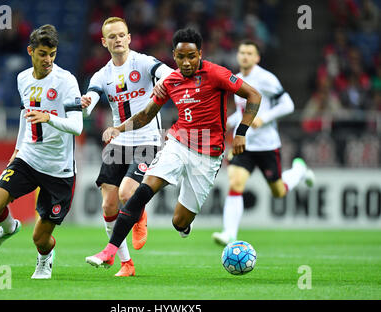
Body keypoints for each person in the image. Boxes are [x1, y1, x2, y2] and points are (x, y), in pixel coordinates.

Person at [85, 27, 261, 269]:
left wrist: (241, 132)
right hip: (177, 144)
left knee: (179, 221)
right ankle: (110, 251)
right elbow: (147, 114)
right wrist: (119, 129)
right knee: (142, 191)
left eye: (191, 56)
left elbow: (254, 95)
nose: (186, 62)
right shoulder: (170, 81)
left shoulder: (216, 73)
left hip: (208, 156)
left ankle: (183, 226)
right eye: (181, 57)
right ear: (174, 56)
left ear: (200, 53)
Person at [0, 24, 83, 279]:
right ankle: (8, 228)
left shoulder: (66, 81)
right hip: (28, 158)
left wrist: (48, 118)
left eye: (52, 54)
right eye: (42, 54)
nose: (48, 60)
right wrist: (17, 149)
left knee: (40, 238)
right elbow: (26, 115)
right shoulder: (22, 78)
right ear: (30, 51)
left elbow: (77, 127)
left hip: (59, 170)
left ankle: (45, 258)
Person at [81, 17, 174, 277]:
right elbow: (92, 99)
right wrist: (85, 103)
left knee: (127, 194)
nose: (118, 40)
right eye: (112, 36)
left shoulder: (143, 62)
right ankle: (126, 263)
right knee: (108, 206)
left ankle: (139, 212)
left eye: (122, 35)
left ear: (129, 37)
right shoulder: (102, 75)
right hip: (119, 141)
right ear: (104, 42)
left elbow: (169, 74)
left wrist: (163, 82)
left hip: (147, 139)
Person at [212, 40, 316, 246]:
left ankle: (299, 171)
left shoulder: (267, 79)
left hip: (267, 144)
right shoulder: (237, 80)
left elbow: (288, 104)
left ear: (257, 58)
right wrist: (228, 123)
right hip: (245, 144)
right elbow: (243, 113)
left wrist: (264, 118)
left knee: (278, 191)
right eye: (242, 52)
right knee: (235, 182)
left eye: (250, 53)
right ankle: (229, 233)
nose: (245, 56)